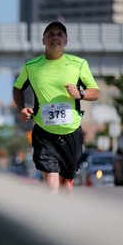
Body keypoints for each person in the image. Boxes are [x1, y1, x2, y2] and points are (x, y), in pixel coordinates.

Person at [13, 21, 99, 193]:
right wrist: (21, 108)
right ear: (43, 40)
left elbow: (95, 92)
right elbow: (17, 88)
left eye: (60, 34)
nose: (55, 37)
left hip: (71, 131)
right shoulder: (31, 67)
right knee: (51, 179)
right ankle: (50, 214)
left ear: (66, 41)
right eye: (50, 34)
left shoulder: (79, 64)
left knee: (66, 183)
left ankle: (66, 216)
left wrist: (80, 94)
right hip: (44, 131)